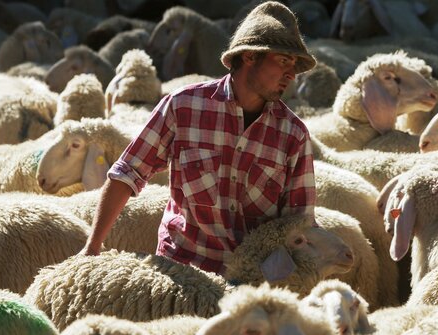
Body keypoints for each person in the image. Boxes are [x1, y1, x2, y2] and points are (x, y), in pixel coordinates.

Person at [80, 1, 318, 275]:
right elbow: (127, 173)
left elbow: (298, 222)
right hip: (181, 271)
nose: (291, 74)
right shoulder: (183, 107)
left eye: (295, 64)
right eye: (284, 60)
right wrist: (93, 245)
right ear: (251, 56)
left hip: (248, 281)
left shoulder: (293, 135)